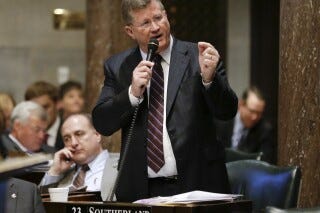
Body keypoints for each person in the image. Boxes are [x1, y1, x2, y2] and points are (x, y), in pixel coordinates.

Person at [92, 0, 238, 202]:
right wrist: (132, 93)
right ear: (130, 31)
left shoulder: (199, 56)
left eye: (159, 18)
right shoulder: (118, 66)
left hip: (198, 185)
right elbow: (102, 122)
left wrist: (210, 80)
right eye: (145, 23)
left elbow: (227, 111)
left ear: (167, 16)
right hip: (142, 190)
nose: (155, 27)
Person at [39, 113, 117, 194]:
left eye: (79, 134)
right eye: (67, 139)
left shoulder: (121, 166)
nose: (73, 143)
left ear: (97, 135)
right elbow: (40, 202)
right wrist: (55, 171)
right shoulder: (62, 173)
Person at [215, 86, 276, 164]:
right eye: (252, 111)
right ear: (241, 105)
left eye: (259, 113)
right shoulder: (221, 121)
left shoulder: (265, 130)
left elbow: (265, 162)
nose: (255, 117)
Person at [25, 81, 64, 151]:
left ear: (57, 104)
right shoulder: (24, 133)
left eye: (45, 107)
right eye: (35, 109)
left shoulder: (69, 131)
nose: (41, 113)